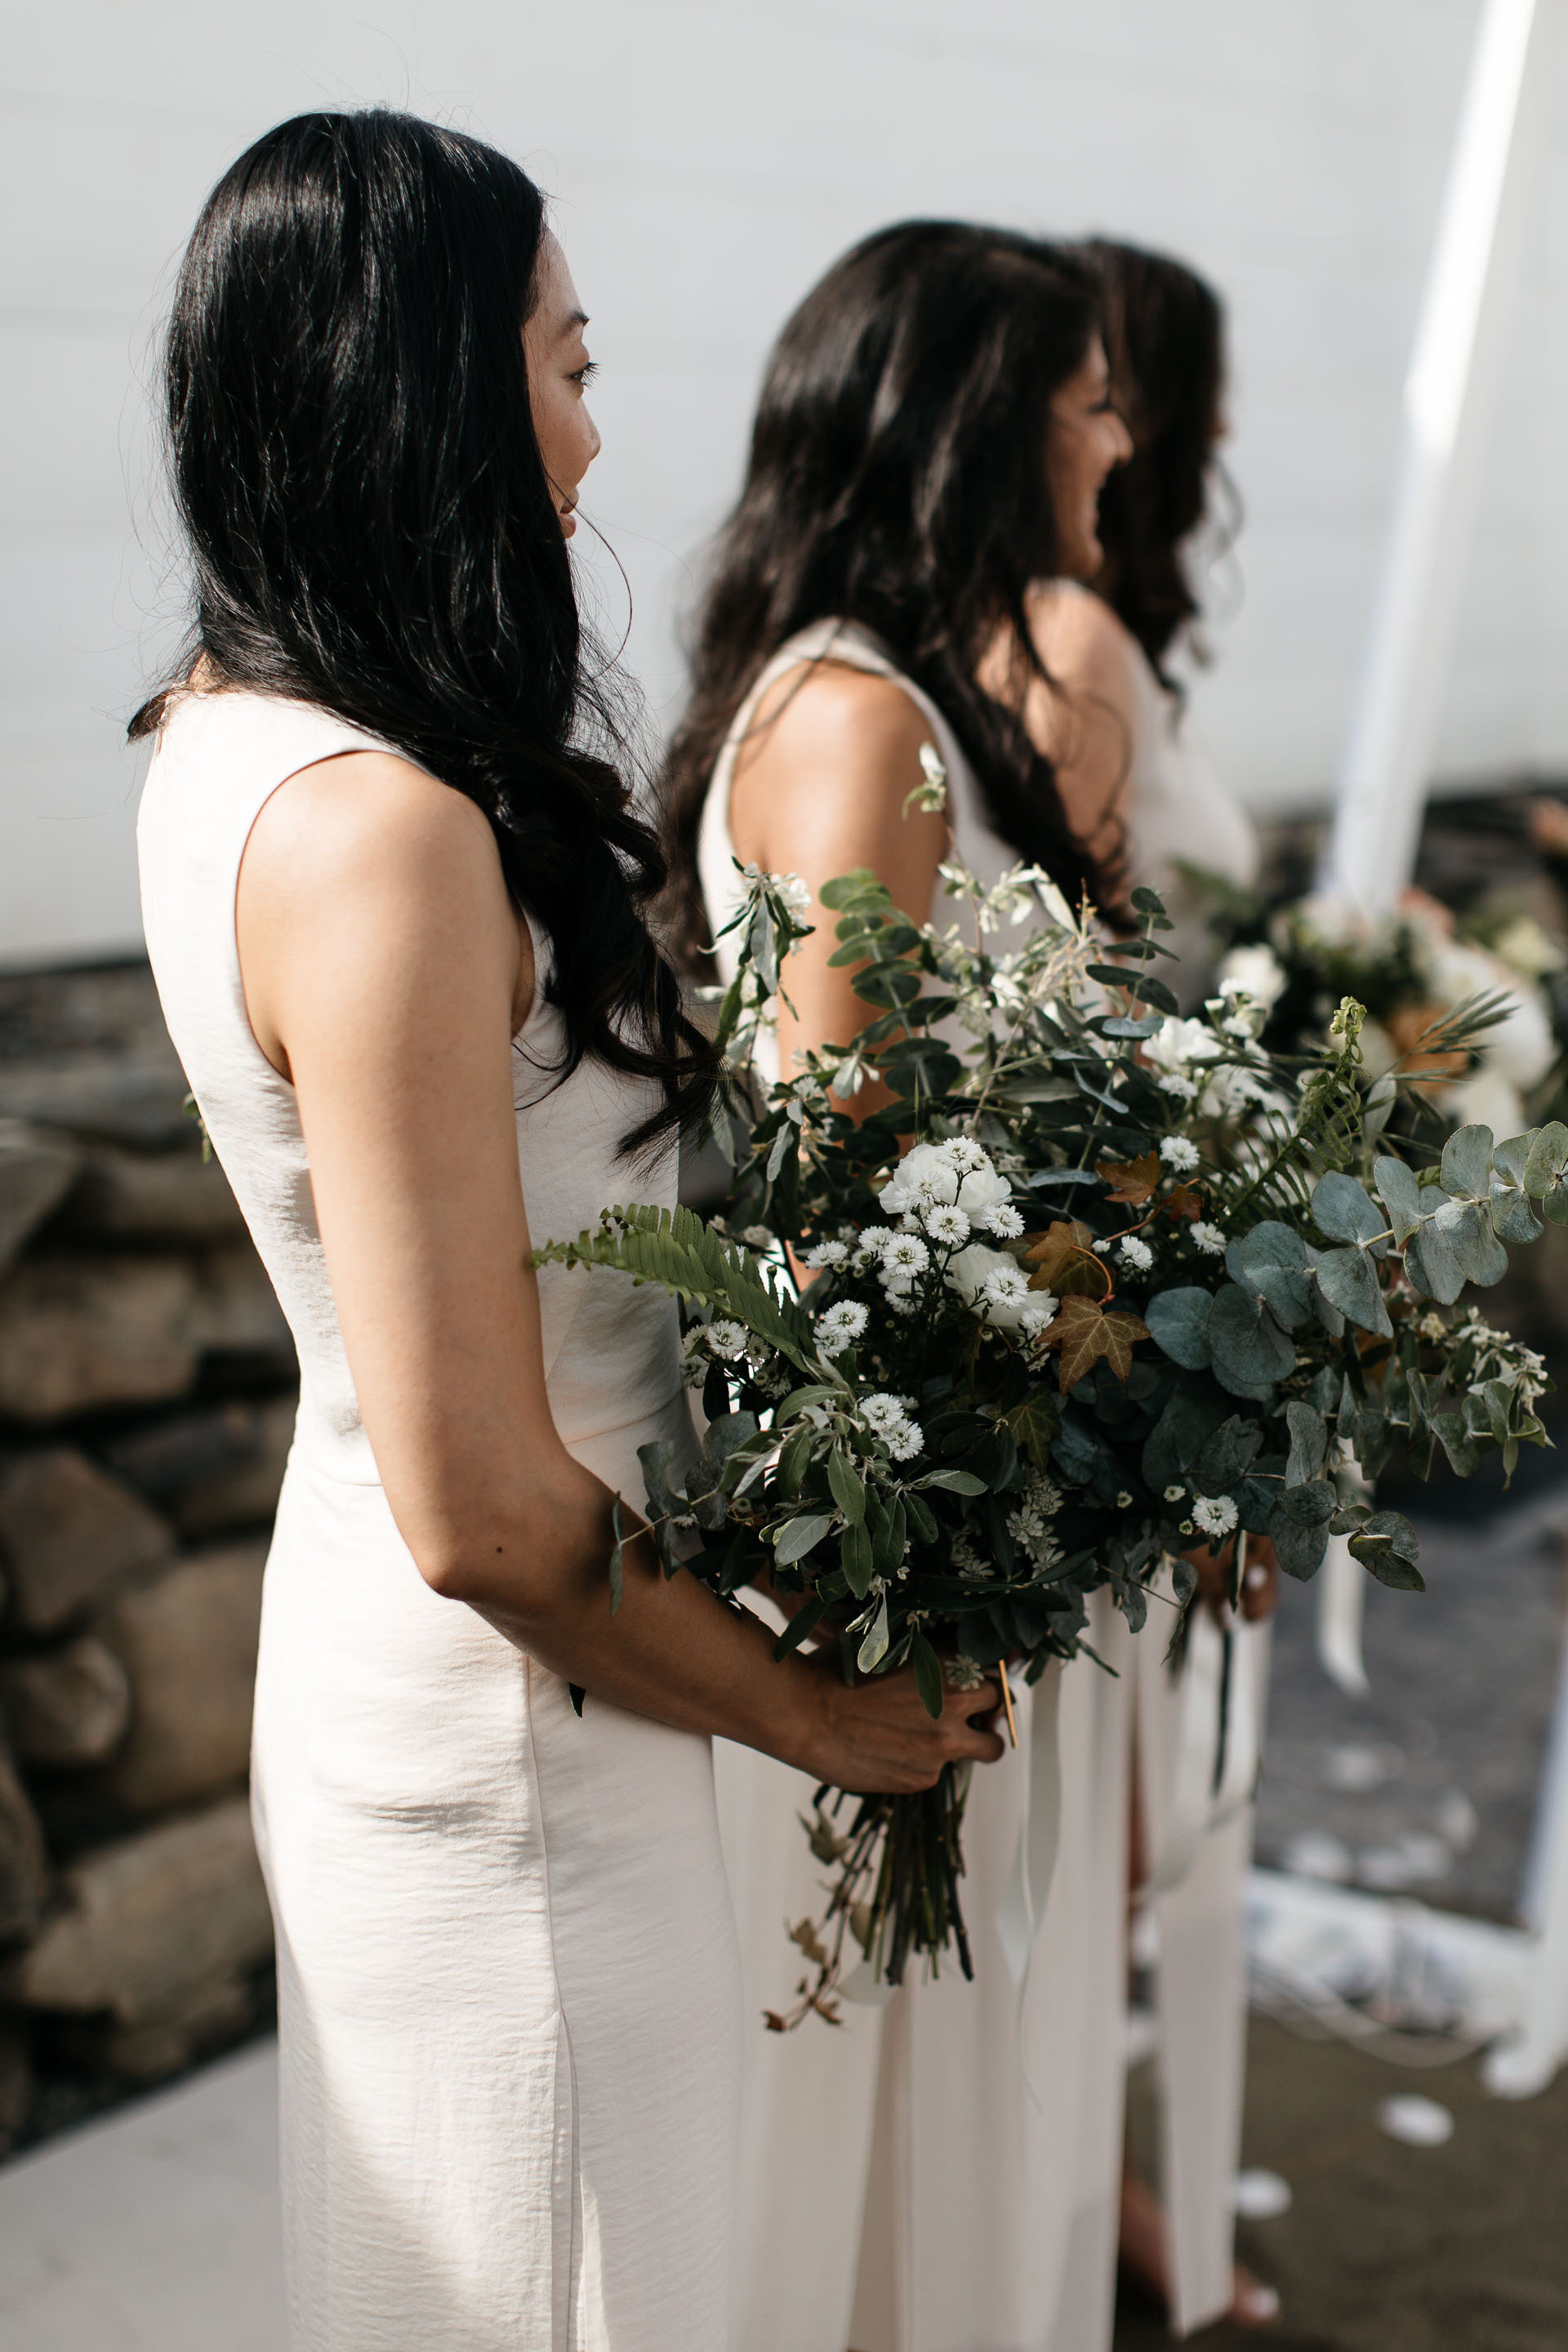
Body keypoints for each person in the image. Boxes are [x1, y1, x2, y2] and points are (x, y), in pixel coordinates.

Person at [131, 115, 1001, 2352]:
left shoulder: (225, 741)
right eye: (566, 360)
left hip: (460, 1706)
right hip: (516, 1747)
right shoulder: (379, 832)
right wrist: (831, 1717)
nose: (594, 435)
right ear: (418, 390)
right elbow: (495, 1511)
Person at [663, 221, 1137, 2352]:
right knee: (876, 2144)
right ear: (984, 422)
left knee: (963, 2119)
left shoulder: (916, 698)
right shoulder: (860, 722)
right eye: (1093, 394)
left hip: (987, 1501)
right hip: (915, 1547)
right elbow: (844, 1177)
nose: (1119, 439)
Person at [1029, 237, 1280, 2334]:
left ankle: (1071, 2185)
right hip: (1102, 1272)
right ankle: (1068, 2198)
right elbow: (1094, 993)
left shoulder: (1113, 632)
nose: (1138, 435)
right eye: (1104, 396)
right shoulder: (1066, 638)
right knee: (1100, 1830)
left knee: (1120, 1826)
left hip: (1156, 1236)